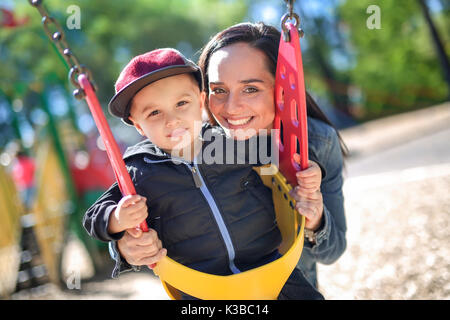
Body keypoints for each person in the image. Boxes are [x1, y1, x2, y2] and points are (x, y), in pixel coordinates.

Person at [114, 22, 347, 292]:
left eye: (250, 89)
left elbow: (333, 251)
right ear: (204, 96)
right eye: (219, 90)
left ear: (282, 89)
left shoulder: (316, 141)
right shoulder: (194, 140)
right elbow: (144, 189)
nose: (232, 108)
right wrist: (124, 243)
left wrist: (316, 220)